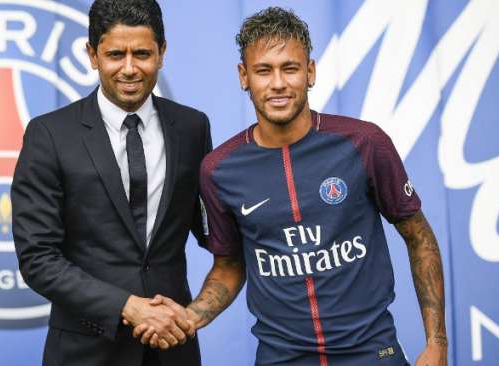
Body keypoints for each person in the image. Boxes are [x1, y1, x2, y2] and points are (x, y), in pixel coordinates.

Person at [135, 6, 447, 366]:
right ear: (244, 76)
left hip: (371, 353)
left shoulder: (364, 142)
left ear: (310, 72)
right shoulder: (219, 170)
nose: (278, 83)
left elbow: (418, 235)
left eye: (290, 68)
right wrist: (190, 317)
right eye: (264, 70)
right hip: (282, 358)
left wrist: (436, 342)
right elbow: (230, 265)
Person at [11, 0, 211, 365]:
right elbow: (37, 258)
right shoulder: (50, 134)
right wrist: (129, 307)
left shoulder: (193, 127)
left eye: (143, 54)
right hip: (85, 351)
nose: (130, 68)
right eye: (116, 54)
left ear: (162, 53)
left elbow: (214, 230)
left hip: (173, 350)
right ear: (92, 54)